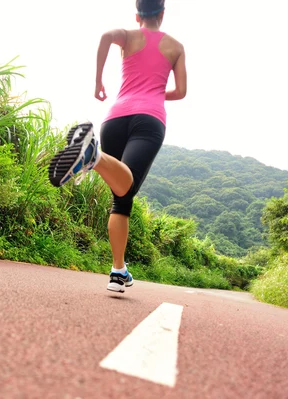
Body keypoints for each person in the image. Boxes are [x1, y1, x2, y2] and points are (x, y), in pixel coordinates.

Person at [48, 0, 187, 292]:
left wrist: (98, 81)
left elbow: (105, 37)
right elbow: (181, 91)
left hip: (114, 117)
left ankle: (118, 270)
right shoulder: (175, 46)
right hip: (149, 119)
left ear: (138, 15)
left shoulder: (127, 35)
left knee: (121, 200)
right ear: (162, 14)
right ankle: (93, 156)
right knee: (128, 186)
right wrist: (154, 94)